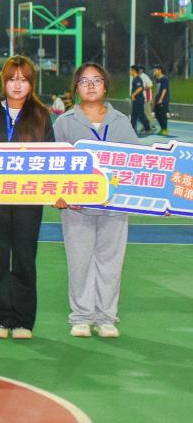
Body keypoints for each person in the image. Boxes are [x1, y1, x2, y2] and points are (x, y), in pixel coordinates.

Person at [0, 55, 54, 340]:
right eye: (12, 79)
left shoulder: (41, 116)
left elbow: (53, 160)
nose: (17, 85)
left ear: (31, 84)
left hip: (29, 201)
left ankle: (23, 321)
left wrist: (58, 191)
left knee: (25, 258)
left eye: (24, 80)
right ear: (3, 82)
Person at [53, 63, 139, 339]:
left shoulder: (121, 122)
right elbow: (52, 164)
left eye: (97, 80)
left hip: (114, 208)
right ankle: (81, 317)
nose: (90, 85)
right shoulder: (64, 123)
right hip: (76, 209)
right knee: (79, 263)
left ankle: (106, 318)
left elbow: (139, 164)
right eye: (84, 81)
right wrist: (57, 195)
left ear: (105, 86)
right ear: (76, 87)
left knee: (111, 263)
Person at [129, 65, 150, 134]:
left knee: (141, 114)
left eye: (130, 70)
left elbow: (140, 88)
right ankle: (132, 129)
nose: (129, 72)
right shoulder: (135, 79)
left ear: (134, 71)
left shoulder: (137, 79)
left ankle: (147, 127)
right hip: (136, 100)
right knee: (134, 115)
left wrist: (133, 94)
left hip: (139, 100)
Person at [152, 64, 170, 137]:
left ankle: (165, 129)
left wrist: (161, 99)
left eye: (155, 70)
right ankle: (162, 128)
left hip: (163, 100)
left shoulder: (164, 79)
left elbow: (164, 89)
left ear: (160, 70)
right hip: (157, 99)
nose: (154, 72)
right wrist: (154, 97)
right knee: (157, 114)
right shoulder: (157, 79)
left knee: (163, 115)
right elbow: (157, 89)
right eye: (154, 71)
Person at [139, 65, 157, 131]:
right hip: (141, 98)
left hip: (146, 98)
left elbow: (150, 85)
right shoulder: (139, 77)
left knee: (147, 112)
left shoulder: (144, 76)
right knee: (143, 113)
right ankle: (145, 126)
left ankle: (152, 126)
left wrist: (142, 88)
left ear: (141, 70)